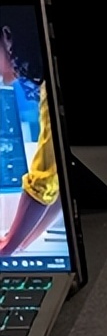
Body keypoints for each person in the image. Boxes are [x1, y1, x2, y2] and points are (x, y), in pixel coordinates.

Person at [0, 24, 62, 255]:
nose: (5, 81)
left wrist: (8, 248)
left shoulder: (49, 90)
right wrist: (18, 243)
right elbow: (61, 183)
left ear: (7, 35)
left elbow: (44, 182)